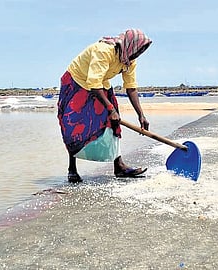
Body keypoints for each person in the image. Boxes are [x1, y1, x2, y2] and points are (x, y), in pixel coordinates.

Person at [57, 29, 152, 183]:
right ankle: (72, 169)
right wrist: (110, 109)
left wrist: (141, 115)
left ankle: (119, 166)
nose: (137, 55)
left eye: (140, 52)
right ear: (129, 45)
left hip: (99, 84)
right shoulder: (104, 50)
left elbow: (131, 87)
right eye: (137, 51)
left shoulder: (129, 59)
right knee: (73, 126)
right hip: (77, 81)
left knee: (113, 122)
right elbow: (93, 84)